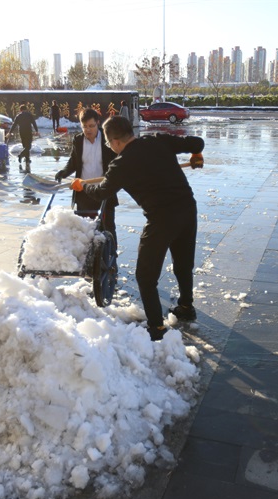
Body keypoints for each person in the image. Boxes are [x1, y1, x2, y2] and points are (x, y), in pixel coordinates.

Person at [71, 116, 204, 341]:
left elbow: (102, 192)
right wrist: (195, 154)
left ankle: (156, 328)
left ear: (114, 142)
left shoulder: (121, 164)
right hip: (187, 210)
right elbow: (197, 142)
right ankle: (185, 306)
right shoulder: (158, 140)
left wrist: (83, 187)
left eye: (108, 143)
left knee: (145, 276)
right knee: (183, 263)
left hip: (162, 218)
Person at [55, 108, 118, 247]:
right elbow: (73, 162)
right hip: (84, 191)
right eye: (84, 127)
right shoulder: (78, 140)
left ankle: (111, 261)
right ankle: (88, 260)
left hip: (104, 191)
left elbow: (117, 162)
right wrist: (63, 173)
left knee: (108, 227)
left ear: (98, 123)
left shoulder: (108, 139)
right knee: (85, 229)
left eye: (91, 126)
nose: (88, 130)